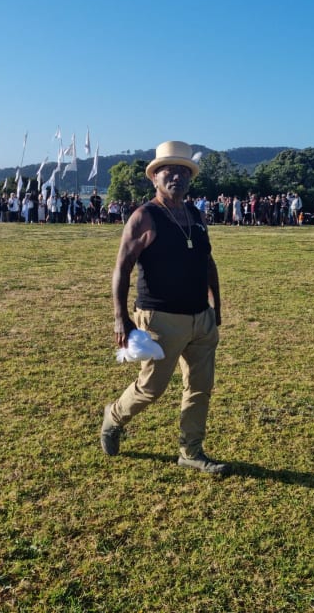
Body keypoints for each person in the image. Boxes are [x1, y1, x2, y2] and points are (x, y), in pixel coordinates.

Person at [101, 140, 227, 475]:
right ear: (154, 177)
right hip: (160, 318)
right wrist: (120, 318)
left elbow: (207, 261)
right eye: (169, 171)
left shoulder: (196, 215)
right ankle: (114, 416)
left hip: (200, 316)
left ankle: (191, 451)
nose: (177, 177)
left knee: (200, 388)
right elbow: (122, 268)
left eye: (183, 172)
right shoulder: (145, 217)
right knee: (151, 388)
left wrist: (216, 304)